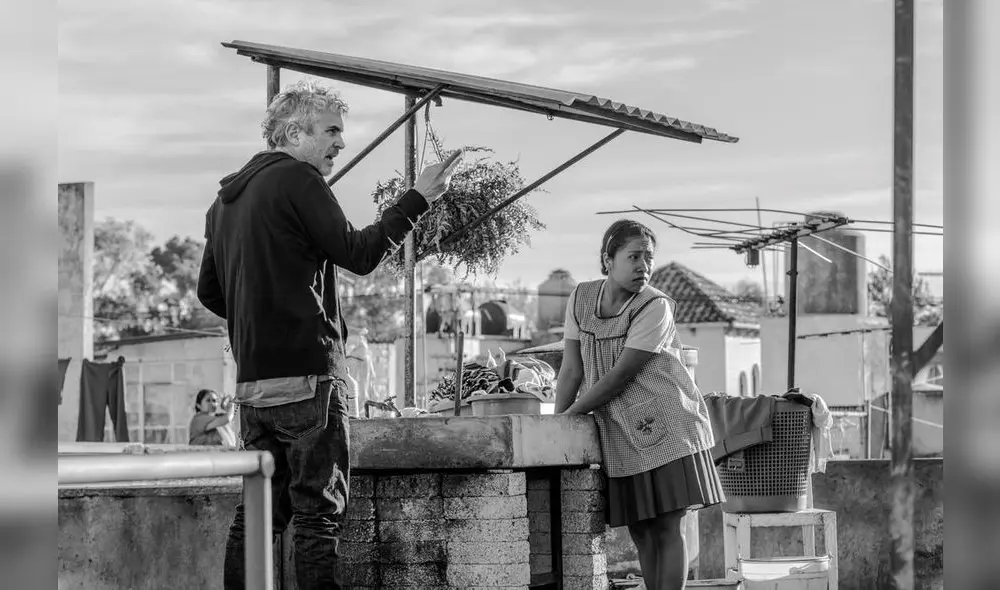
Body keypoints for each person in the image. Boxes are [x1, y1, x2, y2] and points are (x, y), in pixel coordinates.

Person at [197, 79, 462, 590]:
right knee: (318, 519)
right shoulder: (299, 179)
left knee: (257, 519)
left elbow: (210, 291)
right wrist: (418, 198)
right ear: (294, 134)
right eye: (332, 131)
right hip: (308, 382)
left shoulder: (223, 202)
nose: (341, 143)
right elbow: (358, 254)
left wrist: (258, 324)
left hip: (253, 390)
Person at [554, 219, 724, 590]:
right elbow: (571, 369)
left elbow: (620, 375)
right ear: (608, 259)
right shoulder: (580, 299)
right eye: (633, 257)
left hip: (669, 427)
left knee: (667, 526)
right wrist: (556, 426)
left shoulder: (655, 306)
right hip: (621, 433)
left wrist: (572, 415)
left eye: (649, 257)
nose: (643, 266)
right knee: (641, 531)